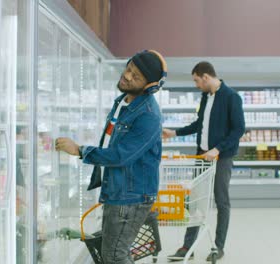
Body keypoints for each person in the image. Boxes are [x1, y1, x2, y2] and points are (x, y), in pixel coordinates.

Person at [55, 50, 166, 264]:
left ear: (149, 86)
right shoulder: (124, 102)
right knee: (112, 253)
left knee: (115, 256)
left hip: (130, 197)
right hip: (119, 190)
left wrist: (79, 150)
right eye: (129, 69)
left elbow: (121, 156)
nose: (127, 76)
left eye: (136, 77)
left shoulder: (148, 115)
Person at [163, 61, 245, 261]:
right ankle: (187, 247)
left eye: (196, 80)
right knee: (195, 201)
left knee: (221, 201)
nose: (196, 85)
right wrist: (174, 133)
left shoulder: (231, 97)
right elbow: (199, 125)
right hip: (202, 156)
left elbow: (238, 129)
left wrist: (217, 149)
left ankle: (218, 247)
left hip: (222, 157)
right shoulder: (205, 97)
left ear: (206, 77)